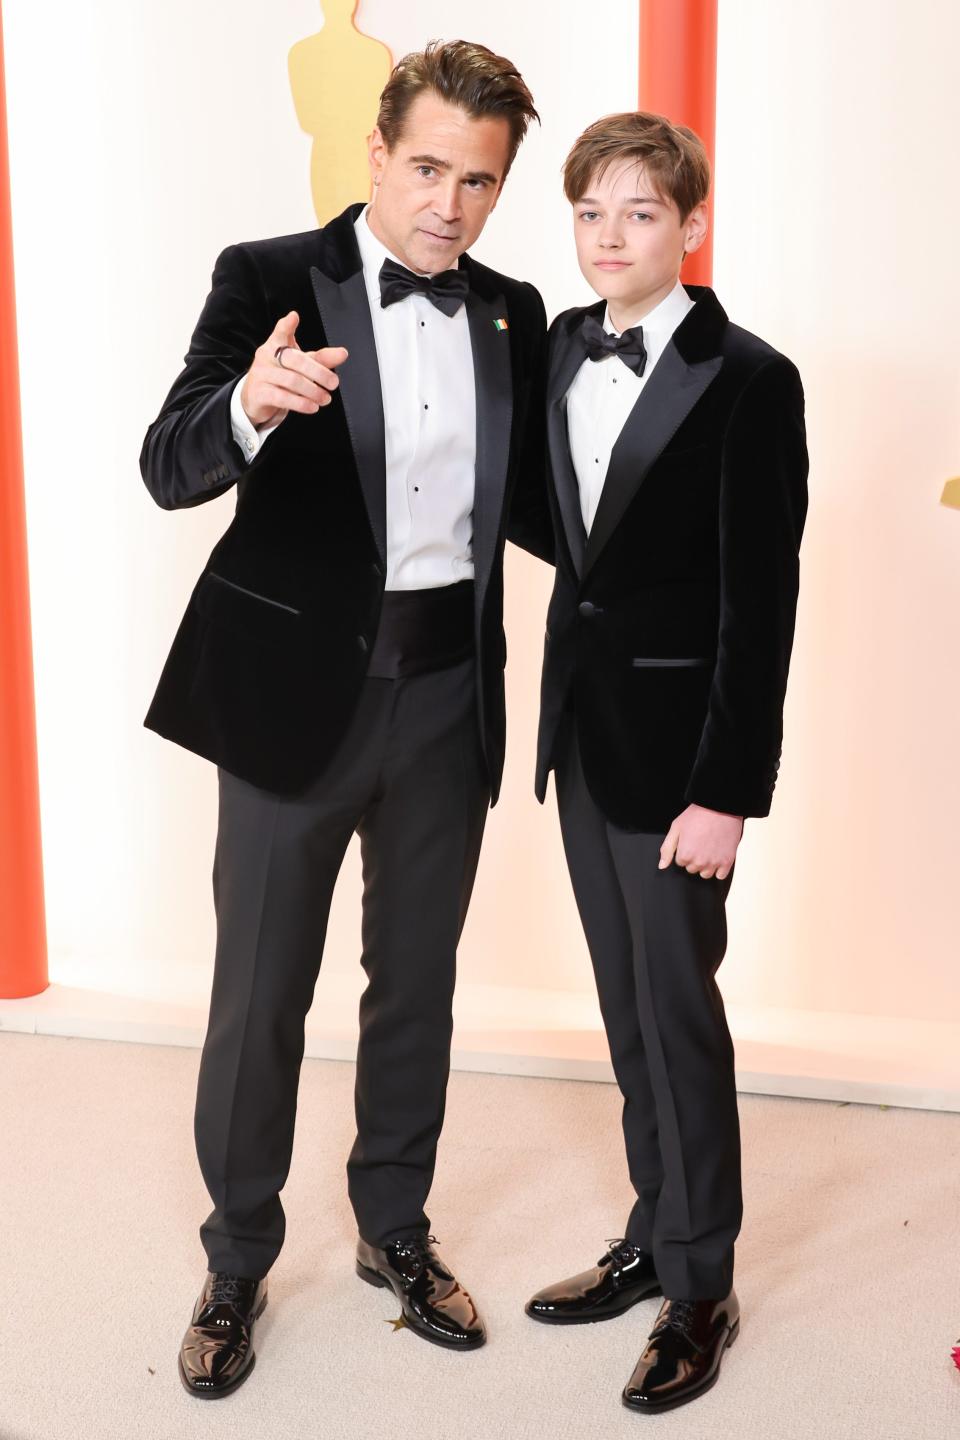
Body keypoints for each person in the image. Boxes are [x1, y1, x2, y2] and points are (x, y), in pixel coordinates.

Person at [139, 39, 549, 1398]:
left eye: (477, 180)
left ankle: (394, 1232)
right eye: (427, 166)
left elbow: (548, 509)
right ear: (376, 153)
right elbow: (167, 461)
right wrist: (248, 406)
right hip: (291, 700)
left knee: (414, 987)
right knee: (259, 992)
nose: (448, 200)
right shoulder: (266, 278)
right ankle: (239, 1255)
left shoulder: (511, 309)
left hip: (446, 698)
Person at [525, 111, 808, 1414]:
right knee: (629, 1009)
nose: (609, 237)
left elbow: (763, 603)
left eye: (639, 212)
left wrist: (726, 791)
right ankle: (654, 1230)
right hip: (585, 739)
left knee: (681, 1017)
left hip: (684, 762)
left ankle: (703, 1283)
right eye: (591, 212)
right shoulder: (561, 351)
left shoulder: (751, 378)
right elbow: (565, 535)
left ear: (690, 225)